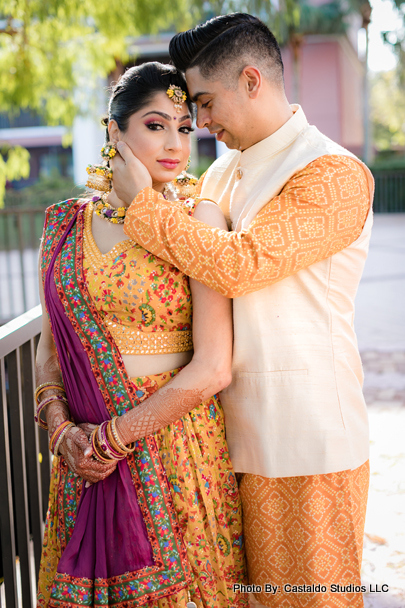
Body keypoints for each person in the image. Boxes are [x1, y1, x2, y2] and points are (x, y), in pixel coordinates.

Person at [110, 14, 375, 608]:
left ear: (251, 80)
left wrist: (142, 212)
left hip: (307, 445)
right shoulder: (224, 170)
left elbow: (240, 263)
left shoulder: (332, 174)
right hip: (226, 443)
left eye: (204, 103)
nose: (200, 124)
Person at [35, 61, 248, 608]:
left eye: (184, 126)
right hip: (85, 460)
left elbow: (214, 366)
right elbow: (52, 344)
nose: (175, 142)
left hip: (172, 448)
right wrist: (63, 432)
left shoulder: (198, 219)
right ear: (115, 130)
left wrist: (113, 438)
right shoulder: (65, 224)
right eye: (156, 125)